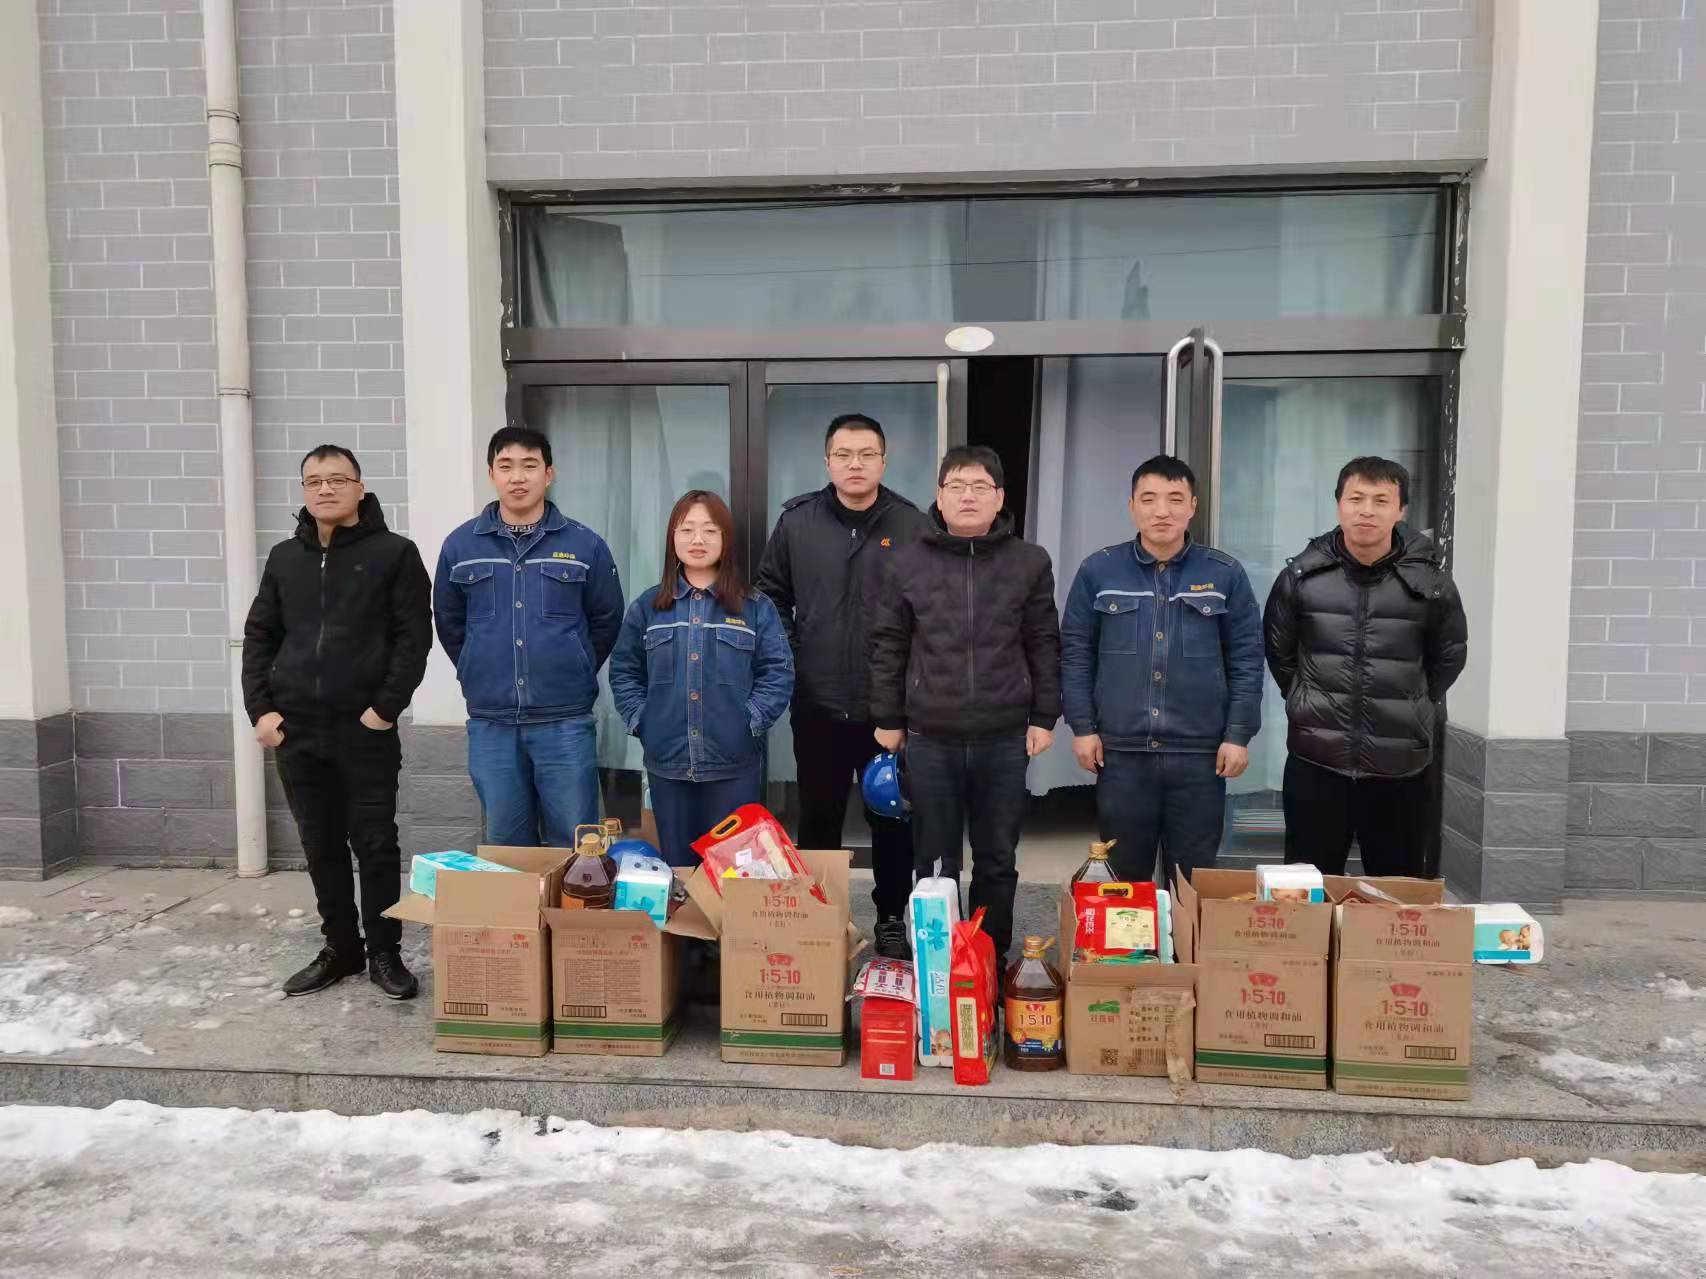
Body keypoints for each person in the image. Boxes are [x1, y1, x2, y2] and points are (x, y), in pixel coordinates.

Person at [242, 446, 431, 999]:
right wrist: (262, 710)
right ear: (305, 491)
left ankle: (384, 953)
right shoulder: (285, 558)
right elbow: (260, 636)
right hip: (297, 731)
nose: (325, 489)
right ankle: (341, 948)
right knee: (319, 844)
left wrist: (384, 709)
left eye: (337, 479)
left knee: (375, 843)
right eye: (314, 481)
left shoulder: (394, 554)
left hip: (364, 729)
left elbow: (413, 638)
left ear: (359, 488)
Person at [868, 445, 1062, 964]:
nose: (968, 496)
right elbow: (888, 643)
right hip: (930, 734)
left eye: (980, 487)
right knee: (934, 861)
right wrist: (888, 717)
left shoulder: (1029, 562)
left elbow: (1044, 641)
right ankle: (938, 962)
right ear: (939, 496)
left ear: (1000, 498)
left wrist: (1045, 716)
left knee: (997, 857)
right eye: (957, 486)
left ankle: (987, 960)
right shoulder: (907, 561)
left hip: (1004, 734)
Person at [755, 413, 931, 960]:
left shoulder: (912, 525)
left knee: (891, 816)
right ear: (828, 461)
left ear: (884, 460)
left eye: (867, 454)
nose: (855, 464)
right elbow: (770, 595)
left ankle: (890, 918)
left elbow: (931, 610)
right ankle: (820, 918)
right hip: (819, 702)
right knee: (818, 816)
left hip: (888, 708)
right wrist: (795, 654)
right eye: (844, 454)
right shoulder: (797, 522)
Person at [1060, 455, 1264, 888]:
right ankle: (1135, 938)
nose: (1162, 511)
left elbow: (1247, 658)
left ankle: (1183, 938)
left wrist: (1238, 735)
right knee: (1124, 879)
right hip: (1122, 754)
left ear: (1193, 506)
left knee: (1191, 881)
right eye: (1149, 499)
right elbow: (1076, 654)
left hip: (1199, 757)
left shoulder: (1224, 574)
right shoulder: (1099, 570)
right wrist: (1082, 727)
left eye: (1175, 499)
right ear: (1132, 506)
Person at [1263, 456, 1468, 877]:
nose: (1367, 511)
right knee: (1307, 890)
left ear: (1401, 510)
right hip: (1316, 760)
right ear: (1339, 504)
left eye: (1381, 500)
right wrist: (1306, 698)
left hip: (1401, 766)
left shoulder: (1432, 586)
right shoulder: (1300, 578)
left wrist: (1410, 702)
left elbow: (1448, 658)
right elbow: (1280, 653)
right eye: (1356, 499)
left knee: (1396, 894)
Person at [433, 427, 624, 847]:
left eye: (529, 465)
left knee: (576, 845)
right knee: (506, 846)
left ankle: (571, 897)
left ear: (548, 474)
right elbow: (449, 621)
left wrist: (573, 663)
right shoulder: (461, 546)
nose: (517, 477)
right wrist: (477, 665)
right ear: (491, 474)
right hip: (492, 723)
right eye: (506, 466)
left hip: (564, 722)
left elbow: (606, 619)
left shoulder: (584, 544)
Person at [608, 491, 794, 867]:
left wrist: (749, 720)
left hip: (733, 765)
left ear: (725, 540)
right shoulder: (648, 608)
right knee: (678, 869)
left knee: (734, 872)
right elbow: (624, 671)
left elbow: (778, 672)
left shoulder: (755, 607)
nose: (697, 539)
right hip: (668, 765)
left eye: (710, 530)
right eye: (687, 529)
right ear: (672, 538)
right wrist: (644, 721)